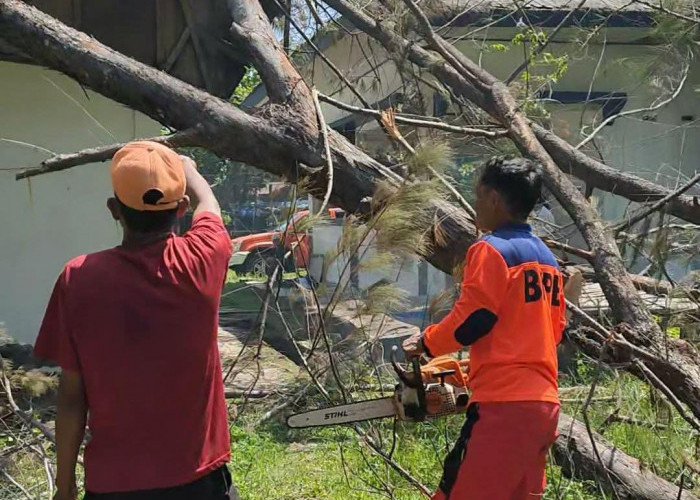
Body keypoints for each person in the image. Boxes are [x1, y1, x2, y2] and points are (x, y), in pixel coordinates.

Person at [34, 141, 235, 500]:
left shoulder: (78, 278)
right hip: (199, 482)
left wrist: (65, 485)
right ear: (182, 208)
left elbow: (70, 398)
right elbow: (210, 206)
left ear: (114, 209)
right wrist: (190, 172)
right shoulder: (203, 258)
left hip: (114, 485)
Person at [403, 157, 566, 500]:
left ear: (493, 198)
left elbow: (473, 319)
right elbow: (552, 333)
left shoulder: (491, 250)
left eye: (478, 196)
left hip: (505, 409)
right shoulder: (548, 261)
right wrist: (474, 369)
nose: (475, 205)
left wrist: (426, 343)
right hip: (543, 407)